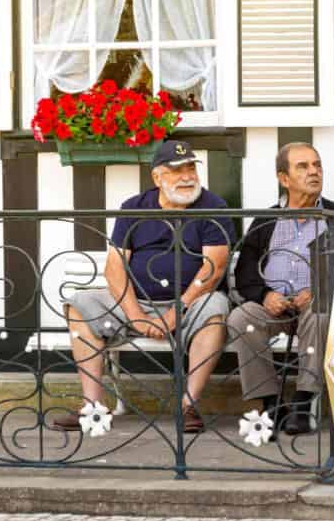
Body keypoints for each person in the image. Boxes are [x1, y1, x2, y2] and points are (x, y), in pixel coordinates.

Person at [56, 140, 235, 433]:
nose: (187, 176)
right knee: (78, 304)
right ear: (157, 177)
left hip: (191, 303)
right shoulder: (135, 207)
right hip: (137, 303)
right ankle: (92, 408)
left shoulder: (213, 206)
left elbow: (213, 268)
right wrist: (136, 314)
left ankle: (187, 405)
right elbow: (115, 268)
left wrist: (176, 311)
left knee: (215, 306)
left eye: (191, 168)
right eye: (177, 171)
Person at [227, 142, 334, 436]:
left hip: (315, 304)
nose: (314, 172)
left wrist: (321, 290)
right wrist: (265, 296)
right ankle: (271, 403)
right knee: (241, 319)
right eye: (303, 167)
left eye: (317, 165)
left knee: (319, 314)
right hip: (274, 306)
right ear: (284, 179)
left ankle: (303, 403)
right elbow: (245, 273)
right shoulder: (266, 219)